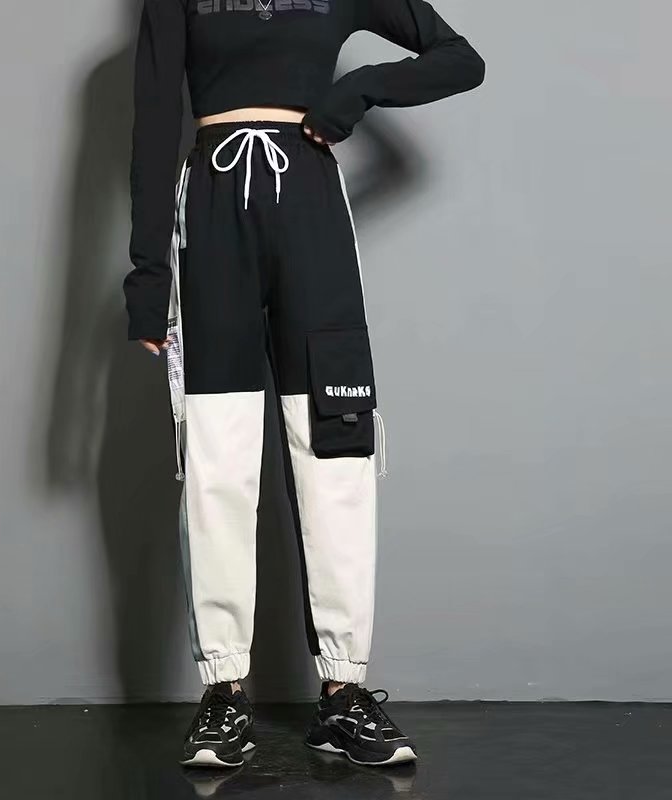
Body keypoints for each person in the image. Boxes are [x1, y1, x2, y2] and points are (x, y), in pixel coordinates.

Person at [123, 0, 484, 768]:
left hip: (313, 209)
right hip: (212, 210)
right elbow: (154, 123)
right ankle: (224, 693)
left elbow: (461, 59)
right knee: (216, 456)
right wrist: (148, 274)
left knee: (336, 443)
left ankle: (343, 693)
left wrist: (358, 90)